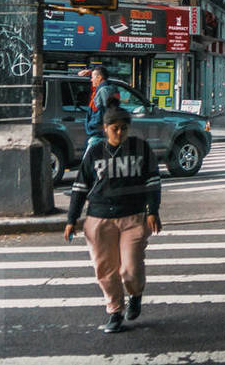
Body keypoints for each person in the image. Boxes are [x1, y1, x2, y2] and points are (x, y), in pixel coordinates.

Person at [64, 106, 162, 334]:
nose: (120, 133)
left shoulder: (140, 148)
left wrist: (152, 211)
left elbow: (153, 181)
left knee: (130, 268)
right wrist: (72, 219)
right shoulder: (95, 152)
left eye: (124, 128)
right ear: (105, 128)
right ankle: (115, 311)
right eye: (115, 129)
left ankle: (135, 294)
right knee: (105, 269)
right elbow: (80, 188)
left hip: (133, 217)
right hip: (99, 219)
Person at [80, 66, 119, 150]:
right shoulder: (104, 88)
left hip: (98, 136)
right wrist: (91, 72)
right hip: (98, 135)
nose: (91, 80)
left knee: (88, 161)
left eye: (92, 77)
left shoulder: (104, 90)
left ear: (99, 78)